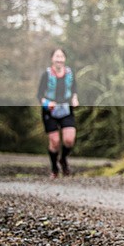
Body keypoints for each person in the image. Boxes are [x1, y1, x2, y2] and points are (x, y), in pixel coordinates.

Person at [37, 48, 79, 178]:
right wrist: (46, 104)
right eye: (57, 56)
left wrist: (74, 98)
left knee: (69, 140)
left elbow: (74, 89)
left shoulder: (70, 73)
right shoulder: (46, 74)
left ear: (64, 59)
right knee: (54, 142)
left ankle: (63, 159)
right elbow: (39, 95)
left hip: (66, 109)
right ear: (52, 59)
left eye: (61, 56)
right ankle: (54, 168)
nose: (59, 59)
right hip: (50, 110)